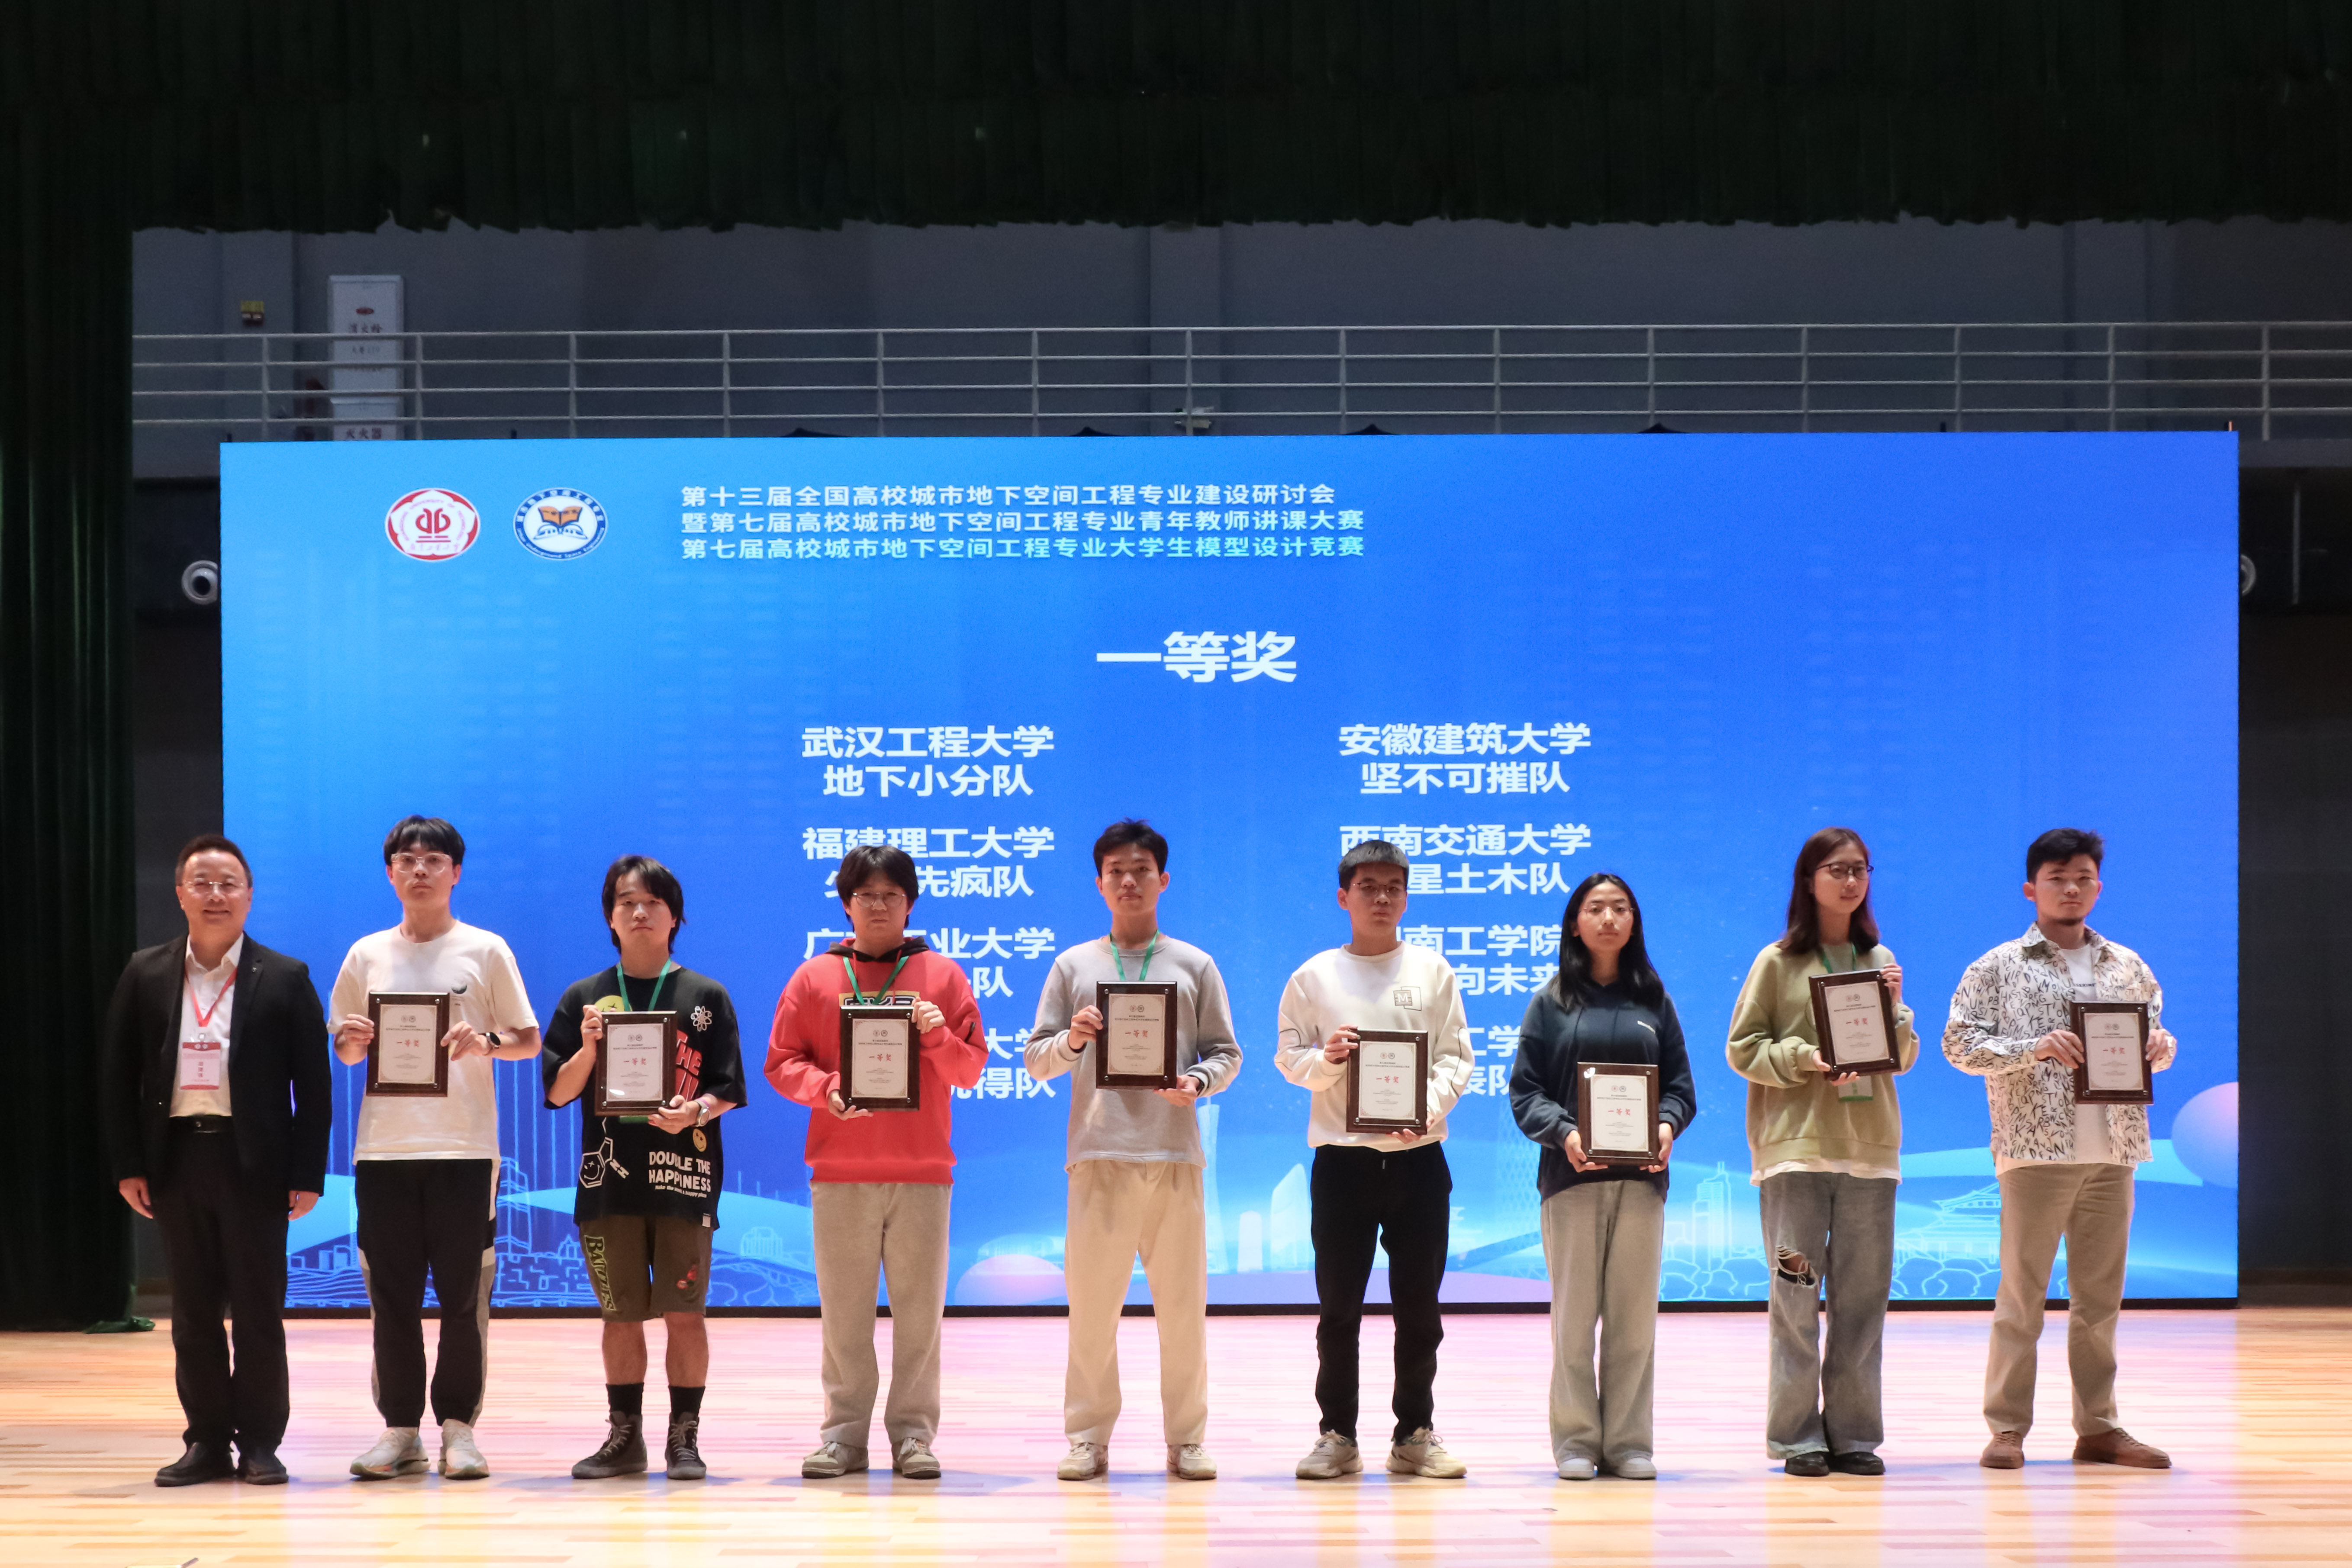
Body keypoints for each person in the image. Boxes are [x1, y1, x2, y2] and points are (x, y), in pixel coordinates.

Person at [99, 834, 332, 1487]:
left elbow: (314, 1089)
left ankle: (260, 1441)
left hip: (255, 1163)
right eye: (202, 883)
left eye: (229, 883)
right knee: (194, 1312)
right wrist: (127, 1164)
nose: (215, 895)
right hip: (175, 1159)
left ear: (250, 896)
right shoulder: (145, 972)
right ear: (180, 894)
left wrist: (307, 1174)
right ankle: (205, 1441)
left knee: (259, 1310)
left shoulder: (285, 976)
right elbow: (116, 1076)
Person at [1944, 828, 2178, 1471]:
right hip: (2034, 1152)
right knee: (2022, 1300)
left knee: (2099, 1302)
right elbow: (1958, 1046)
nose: (2070, 889)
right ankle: (2007, 1428)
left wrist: (2162, 1047)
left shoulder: (2127, 965)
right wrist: (2034, 1048)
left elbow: (2154, 1037)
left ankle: (2099, 1428)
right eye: (2056, 878)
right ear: (2031, 889)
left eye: (2082, 878)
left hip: (2114, 1149)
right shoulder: (1997, 966)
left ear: (2098, 887)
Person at [1025, 819, 1242, 1483]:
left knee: (1184, 1314)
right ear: (1099, 883)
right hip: (1098, 1156)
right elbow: (1037, 1060)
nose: (1128, 881)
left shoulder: (1194, 964)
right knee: (1092, 1313)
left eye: (1141, 870)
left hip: (1174, 1156)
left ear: (1162, 880)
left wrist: (1197, 1082)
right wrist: (1073, 1040)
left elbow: (1227, 1054)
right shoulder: (1072, 966)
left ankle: (1187, 1440)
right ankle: (1088, 1438)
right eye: (1116, 871)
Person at [327, 815, 540, 1482]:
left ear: (456, 872)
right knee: (390, 1298)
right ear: (390, 873)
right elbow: (344, 1047)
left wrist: (487, 1043)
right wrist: (352, 1040)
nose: (420, 870)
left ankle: (458, 1430)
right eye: (407, 860)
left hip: (464, 1150)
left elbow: (528, 1039)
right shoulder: (365, 955)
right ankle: (399, 1430)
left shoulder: (486, 950)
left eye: (434, 860)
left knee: (462, 1298)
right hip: (383, 1152)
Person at [766, 844, 986, 1480]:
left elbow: (971, 1069)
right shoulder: (813, 978)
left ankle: (914, 1436)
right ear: (846, 905)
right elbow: (782, 1063)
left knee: (920, 1318)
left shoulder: (944, 976)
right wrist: (827, 1089)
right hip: (840, 1172)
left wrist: (937, 1035)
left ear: (910, 904)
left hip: (923, 1172)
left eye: (892, 895)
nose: (880, 906)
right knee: (844, 1318)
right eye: (866, 895)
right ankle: (843, 1436)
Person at [1274, 840, 1477, 1482]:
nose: (1382, 898)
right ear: (1344, 897)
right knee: (1338, 1310)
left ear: (1406, 898)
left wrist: (1426, 1108)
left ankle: (1414, 1433)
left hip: (1419, 1160)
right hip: (1343, 1163)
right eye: (1368, 887)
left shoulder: (1432, 971)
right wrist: (1327, 1060)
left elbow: (1455, 1059)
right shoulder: (1313, 977)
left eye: (1394, 887)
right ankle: (1337, 1435)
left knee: (1419, 1310)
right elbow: (1289, 1058)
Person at [544, 856, 745, 1482]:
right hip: (609, 1182)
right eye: (627, 902)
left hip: (683, 1177)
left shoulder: (705, 996)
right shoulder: (583, 998)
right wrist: (589, 1048)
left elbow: (728, 1087)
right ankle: (624, 1437)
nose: (639, 912)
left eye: (653, 903)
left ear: (674, 917)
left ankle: (684, 1438)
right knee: (620, 1315)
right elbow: (557, 1092)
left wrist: (695, 1112)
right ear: (610, 917)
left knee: (685, 1313)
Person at [1726, 827, 1917, 1477]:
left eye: (1860, 869)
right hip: (1796, 1158)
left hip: (1870, 1157)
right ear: (1809, 880)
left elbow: (1903, 1057)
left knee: (1862, 1303)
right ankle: (1797, 1437)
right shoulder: (1777, 961)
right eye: (1837, 869)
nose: (1850, 880)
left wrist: (1896, 1009)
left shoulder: (1879, 958)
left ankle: (1854, 1436)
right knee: (1797, 1299)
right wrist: (1806, 1058)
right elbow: (1743, 1048)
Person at [1510, 872, 1695, 1482]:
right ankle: (1576, 1443)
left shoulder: (1654, 1001)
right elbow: (1526, 1093)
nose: (1609, 918)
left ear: (1634, 922)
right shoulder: (1550, 1002)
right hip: (1571, 1181)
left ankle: (1629, 1443)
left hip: (1641, 1182)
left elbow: (1680, 1089)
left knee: (1633, 1319)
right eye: (1596, 908)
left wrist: (1666, 1125)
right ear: (1575, 923)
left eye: (1620, 908)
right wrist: (1565, 1132)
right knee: (1573, 1321)